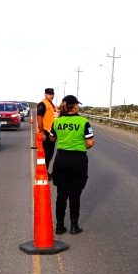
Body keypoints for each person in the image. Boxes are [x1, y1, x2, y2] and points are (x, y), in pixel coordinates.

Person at [50, 95, 95, 235]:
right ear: (74, 106)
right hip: (78, 160)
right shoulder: (83, 122)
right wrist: (80, 147)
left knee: (61, 194)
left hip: (61, 159)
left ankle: (59, 226)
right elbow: (90, 143)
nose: (78, 106)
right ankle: (74, 226)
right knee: (75, 195)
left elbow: (52, 138)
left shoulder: (57, 121)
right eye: (77, 104)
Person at [37, 88, 59, 179]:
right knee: (47, 153)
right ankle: (44, 173)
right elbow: (39, 118)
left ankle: (46, 171)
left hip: (52, 132)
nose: (51, 96)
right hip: (46, 131)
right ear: (45, 94)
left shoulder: (52, 104)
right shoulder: (42, 104)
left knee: (50, 153)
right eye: (49, 94)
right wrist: (42, 133)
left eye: (52, 94)